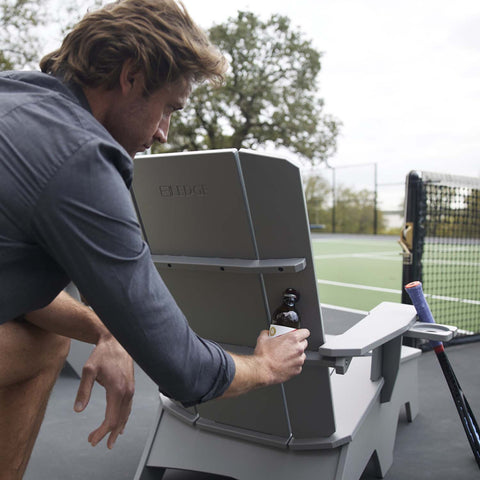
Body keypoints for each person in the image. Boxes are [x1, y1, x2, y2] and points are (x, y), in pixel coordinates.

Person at [0, 1, 310, 478]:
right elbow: (180, 367)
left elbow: (19, 295)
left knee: (44, 337)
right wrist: (264, 366)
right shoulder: (80, 156)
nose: (164, 132)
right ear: (131, 76)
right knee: (47, 345)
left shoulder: (14, 95)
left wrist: (108, 328)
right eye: (168, 107)